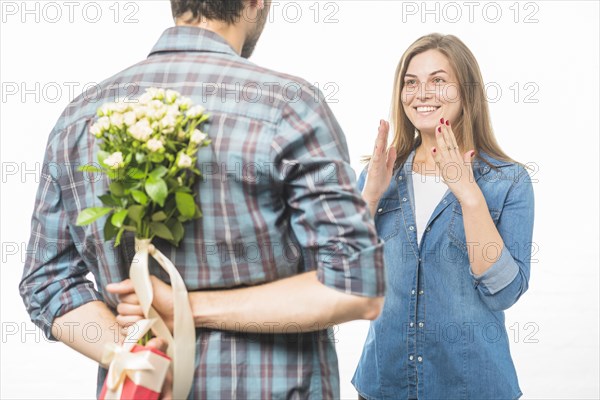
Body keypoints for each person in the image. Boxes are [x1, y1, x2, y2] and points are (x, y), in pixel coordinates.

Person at [19, 1, 385, 399]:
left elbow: (47, 283)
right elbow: (355, 286)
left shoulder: (80, 117)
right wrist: (188, 308)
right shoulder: (289, 107)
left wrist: (142, 357)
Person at [352, 33, 535, 399]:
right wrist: (370, 196)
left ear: (466, 92)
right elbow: (346, 280)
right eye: (411, 82)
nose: (422, 93)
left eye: (438, 80)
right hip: (384, 386)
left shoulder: (507, 181)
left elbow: (504, 292)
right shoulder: (378, 177)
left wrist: (469, 196)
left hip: (474, 388)